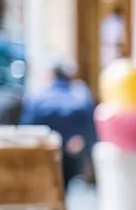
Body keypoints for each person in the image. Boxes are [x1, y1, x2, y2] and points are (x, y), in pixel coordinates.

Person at [21, 59, 97, 190]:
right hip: (73, 152)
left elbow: (27, 127)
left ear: (51, 75)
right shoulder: (81, 95)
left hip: (45, 152)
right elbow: (90, 128)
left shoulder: (38, 96)